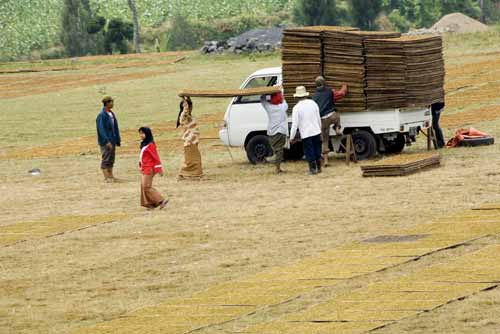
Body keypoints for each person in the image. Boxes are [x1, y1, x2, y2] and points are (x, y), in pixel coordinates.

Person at [312, 76, 348, 167]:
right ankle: (337, 128)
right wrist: (344, 86)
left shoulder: (314, 96)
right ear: (324, 83)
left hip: (322, 120)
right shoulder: (330, 91)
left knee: (324, 140)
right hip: (332, 116)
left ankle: (326, 160)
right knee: (337, 115)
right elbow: (341, 94)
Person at [290, 86, 322, 175]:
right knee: (317, 149)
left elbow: (295, 124)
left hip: (306, 133)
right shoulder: (313, 103)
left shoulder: (296, 108)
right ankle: (319, 168)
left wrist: (291, 137)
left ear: (297, 97)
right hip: (316, 130)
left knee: (309, 151)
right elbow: (318, 118)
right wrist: (320, 129)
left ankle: (312, 169)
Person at [138, 127, 168, 209]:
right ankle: (150, 204)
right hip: (145, 167)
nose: (141, 135)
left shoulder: (150, 145)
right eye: (140, 133)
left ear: (147, 134)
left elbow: (156, 157)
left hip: (149, 168)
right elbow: (143, 157)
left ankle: (161, 200)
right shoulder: (144, 144)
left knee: (146, 186)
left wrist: (159, 169)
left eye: (142, 133)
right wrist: (140, 165)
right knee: (143, 186)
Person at [260, 91, 289, 173]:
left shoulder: (269, 107)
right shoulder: (283, 107)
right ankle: (277, 167)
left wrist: (265, 93)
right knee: (279, 150)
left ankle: (276, 165)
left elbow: (262, 100)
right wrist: (281, 94)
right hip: (281, 132)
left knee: (276, 150)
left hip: (271, 132)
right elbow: (284, 101)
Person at [176, 96, 203, 180]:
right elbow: (186, 109)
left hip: (193, 141)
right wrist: (185, 101)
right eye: (190, 106)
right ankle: (184, 174)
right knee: (193, 161)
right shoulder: (184, 116)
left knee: (193, 160)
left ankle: (195, 175)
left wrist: (188, 98)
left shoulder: (190, 116)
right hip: (189, 142)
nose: (191, 108)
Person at [96, 95, 121, 182]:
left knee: (111, 159)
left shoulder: (111, 114)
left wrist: (117, 139)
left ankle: (111, 176)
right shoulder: (101, 115)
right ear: (107, 103)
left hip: (112, 139)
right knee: (106, 158)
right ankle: (106, 177)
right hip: (106, 141)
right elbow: (101, 129)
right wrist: (106, 141)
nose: (113, 103)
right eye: (111, 102)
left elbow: (115, 127)